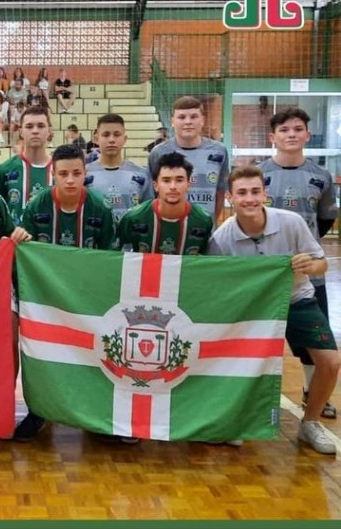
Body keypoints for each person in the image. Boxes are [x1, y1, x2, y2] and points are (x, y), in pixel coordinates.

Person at [208, 165, 339, 455]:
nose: (250, 199)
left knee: (330, 362)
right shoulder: (221, 239)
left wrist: (310, 265)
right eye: (242, 193)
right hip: (252, 308)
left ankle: (311, 423)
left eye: (255, 191)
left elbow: (321, 264)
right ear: (230, 197)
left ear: (265, 194)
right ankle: (236, 420)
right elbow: (220, 284)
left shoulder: (291, 222)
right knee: (238, 365)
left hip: (296, 300)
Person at [14, 144, 115, 441]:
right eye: (63, 174)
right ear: (52, 174)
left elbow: (110, 258)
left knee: (92, 356)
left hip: (88, 300)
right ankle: (39, 412)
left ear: (86, 174)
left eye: (76, 173)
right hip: (44, 298)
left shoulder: (99, 210)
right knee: (41, 356)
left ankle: (95, 417)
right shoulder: (37, 206)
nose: (70, 180)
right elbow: (24, 248)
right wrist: (20, 236)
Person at [260, 107, 338, 419]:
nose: (291, 135)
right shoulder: (259, 174)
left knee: (312, 338)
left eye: (297, 129)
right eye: (284, 130)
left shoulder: (320, 176)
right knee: (261, 336)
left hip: (306, 275)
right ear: (272, 137)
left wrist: (307, 246)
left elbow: (326, 219)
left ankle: (311, 390)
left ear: (307, 134)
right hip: (264, 273)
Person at [147, 95, 229, 225]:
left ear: (202, 120)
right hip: (168, 227)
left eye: (194, 117)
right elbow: (152, 195)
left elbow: (220, 192)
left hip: (204, 229)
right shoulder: (158, 152)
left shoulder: (219, 151)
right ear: (173, 121)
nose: (188, 122)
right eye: (182, 117)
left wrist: (210, 221)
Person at [117, 151, 212, 255]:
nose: (173, 186)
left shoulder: (203, 221)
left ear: (188, 185)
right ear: (155, 186)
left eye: (179, 180)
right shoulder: (133, 218)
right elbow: (116, 256)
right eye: (166, 180)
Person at [85, 113, 153, 224]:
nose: (111, 140)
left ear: (124, 138)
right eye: (106, 135)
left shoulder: (142, 175)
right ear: (96, 139)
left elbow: (148, 214)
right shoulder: (85, 174)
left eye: (117, 135)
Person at [0, 106, 54, 226]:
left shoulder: (61, 171)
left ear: (49, 131)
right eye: (29, 126)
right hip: (15, 243)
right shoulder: (5, 170)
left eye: (41, 126)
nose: (35, 131)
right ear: (21, 132)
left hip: (49, 244)